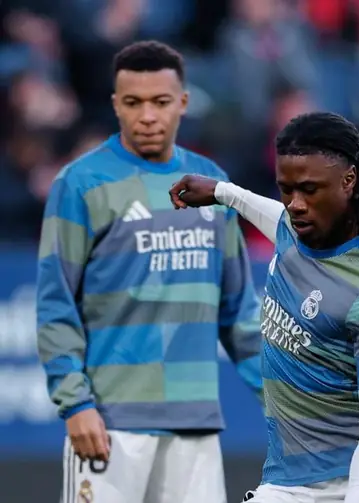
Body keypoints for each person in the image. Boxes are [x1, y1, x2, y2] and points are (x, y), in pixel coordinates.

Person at [170, 111, 359, 503]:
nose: (295, 204)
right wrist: (222, 192)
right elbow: (274, 216)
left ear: (348, 181)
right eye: (286, 189)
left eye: (309, 189)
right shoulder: (295, 230)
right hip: (292, 484)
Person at [36, 40, 264, 503]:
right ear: (115, 104)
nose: (147, 116)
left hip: (195, 424)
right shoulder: (81, 183)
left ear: (182, 102)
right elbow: (55, 304)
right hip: (110, 422)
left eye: (160, 102)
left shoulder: (211, 181)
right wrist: (75, 403)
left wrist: (287, 398)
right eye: (133, 102)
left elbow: (240, 314)